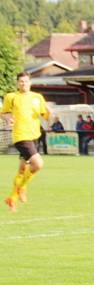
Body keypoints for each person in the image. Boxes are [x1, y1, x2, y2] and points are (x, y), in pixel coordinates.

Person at [1, 72, 51, 212]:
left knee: (22, 169)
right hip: (21, 136)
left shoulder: (37, 97)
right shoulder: (11, 97)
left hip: (34, 135)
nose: (23, 84)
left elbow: (45, 116)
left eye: (26, 81)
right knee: (38, 164)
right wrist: (7, 118)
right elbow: (3, 112)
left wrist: (49, 112)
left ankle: (12, 198)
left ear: (30, 83)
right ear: (17, 83)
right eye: (21, 81)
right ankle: (20, 188)